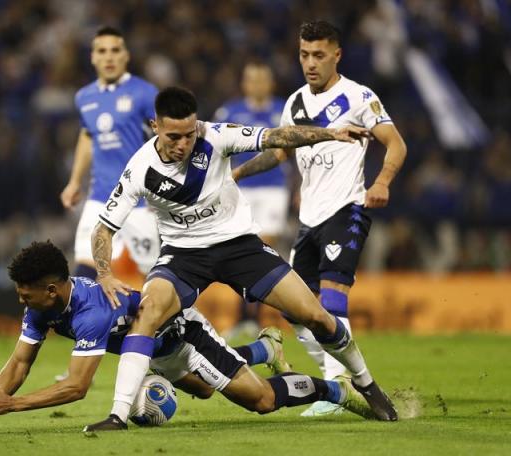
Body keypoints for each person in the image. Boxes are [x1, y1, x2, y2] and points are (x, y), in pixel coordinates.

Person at [84, 86, 398, 431]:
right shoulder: (140, 169)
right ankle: (117, 415)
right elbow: (103, 229)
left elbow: (279, 136)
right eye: (174, 136)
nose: (183, 144)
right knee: (148, 313)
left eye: (189, 134)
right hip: (183, 255)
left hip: (239, 247)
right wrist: (104, 272)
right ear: (155, 126)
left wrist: (332, 133)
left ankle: (366, 384)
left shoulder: (216, 136)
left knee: (316, 316)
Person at [0, 241, 375, 425]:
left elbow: (76, 387)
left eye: (25, 295)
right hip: (150, 355)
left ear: (51, 290)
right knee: (205, 392)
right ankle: (264, 346)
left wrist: (10, 405)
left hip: (184, 338)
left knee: (259, 400)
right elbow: (19, 361)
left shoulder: (90, 313)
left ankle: (333, 390)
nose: (21, 301)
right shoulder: (43, 308)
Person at [232, 21, 407, 417]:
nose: (310, 63)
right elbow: (279, 153)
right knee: (296, 311)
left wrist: (381, 182)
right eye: (304, 55)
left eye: (319, 55)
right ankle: (337, 381)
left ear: (336, 55)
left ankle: (344, 387)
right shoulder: (294, 102)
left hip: (347, 209)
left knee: (329, 301)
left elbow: (395, 143)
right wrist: (238, 174)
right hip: (308, 220)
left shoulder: (359, 96)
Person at [60, 26, 160, 280]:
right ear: (93, 57)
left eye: (115, 50)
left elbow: (166, 138)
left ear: (126, 55)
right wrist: (74, 181)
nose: (109, 57)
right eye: (102, 51)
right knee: (85, 267)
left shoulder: (146, 93)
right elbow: (87, 135)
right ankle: (79, 321)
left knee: (154, 276)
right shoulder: (84, 97)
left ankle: (176, 321)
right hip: (100, 197)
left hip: (140, 199)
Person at [213, 61, 290, 337]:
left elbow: (296, 151)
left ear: (271, 83)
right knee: (240, 251)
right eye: (252, 79)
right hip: (239, 189)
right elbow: (214, 150)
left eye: (262, 79)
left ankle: (253, 317)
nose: (257, 84)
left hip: (273, 189)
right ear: (244, 84)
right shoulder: (230, 111)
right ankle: (243, 317)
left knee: (263, 250)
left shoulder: (283, 110)